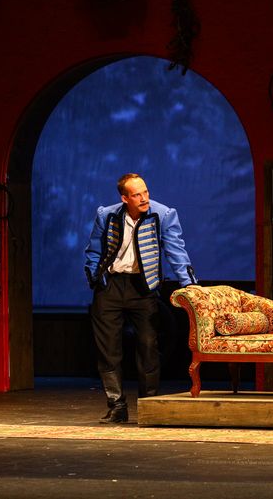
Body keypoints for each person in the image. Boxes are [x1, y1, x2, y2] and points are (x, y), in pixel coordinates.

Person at [84, 173, 197, 423]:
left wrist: (188, 284)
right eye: (137, 195)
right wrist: (95, 278)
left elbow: (176, 251)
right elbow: (94, 249)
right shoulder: (106, 215)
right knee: (108, 349)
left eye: (145, 192)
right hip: (111, 286)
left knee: (148, 346)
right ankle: (116, 406)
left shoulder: (162, 215)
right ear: (125, 198)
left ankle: (149, 405)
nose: (144, 198)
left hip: (143, 287)